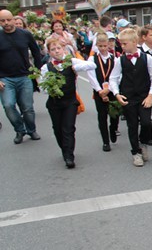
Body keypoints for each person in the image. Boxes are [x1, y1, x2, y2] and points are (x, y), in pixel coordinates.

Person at [109, 28, 152, 167]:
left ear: (134, 42)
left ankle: (143, 142)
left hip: (144, 96)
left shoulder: (147, 58)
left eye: (125, 43)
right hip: (128, 97)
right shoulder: (120, 60)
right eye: (121, 43)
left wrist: (151, 95)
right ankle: (135, 153)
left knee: (146, 123)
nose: (122, 46)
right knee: (132, 125)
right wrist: (116, 93)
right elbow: (113, 79)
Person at [40, 38, 95, 168]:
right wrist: (50, 86)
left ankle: (69, 155)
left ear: (63, 49)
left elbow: (92, 65)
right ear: (49, 52)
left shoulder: (71, 61)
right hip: (54, 103)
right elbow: (42, 89)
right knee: (58, 129)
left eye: (58, 48)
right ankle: (64, 149)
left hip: (70, 101)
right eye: (53, 49)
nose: (56, 51)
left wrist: (75, 66)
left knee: (68, 128)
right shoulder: (46, 68)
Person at [0, 9, 44, 144]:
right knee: (8, 105)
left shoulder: (25, 34)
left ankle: (31, 130)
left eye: (8, 19)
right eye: (2, 21)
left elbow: (37, 52)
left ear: (14, 20)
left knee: (27, 107)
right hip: (5, 79)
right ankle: (19, 130)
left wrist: (37, 70)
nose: (6, 23)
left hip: (25, 76)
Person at [86, 33, 120, 152]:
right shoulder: (92, 59)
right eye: (100, 46)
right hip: (99, 91)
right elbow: (91, 77)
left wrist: (109, 89)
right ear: (96, 46)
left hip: (111, 90)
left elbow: (117, 76)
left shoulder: (114, 59)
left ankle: (113, 128)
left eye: (105, 45)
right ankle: (105, 141)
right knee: (102, 116)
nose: (103, 48)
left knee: (115, 114)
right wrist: (100, 91)